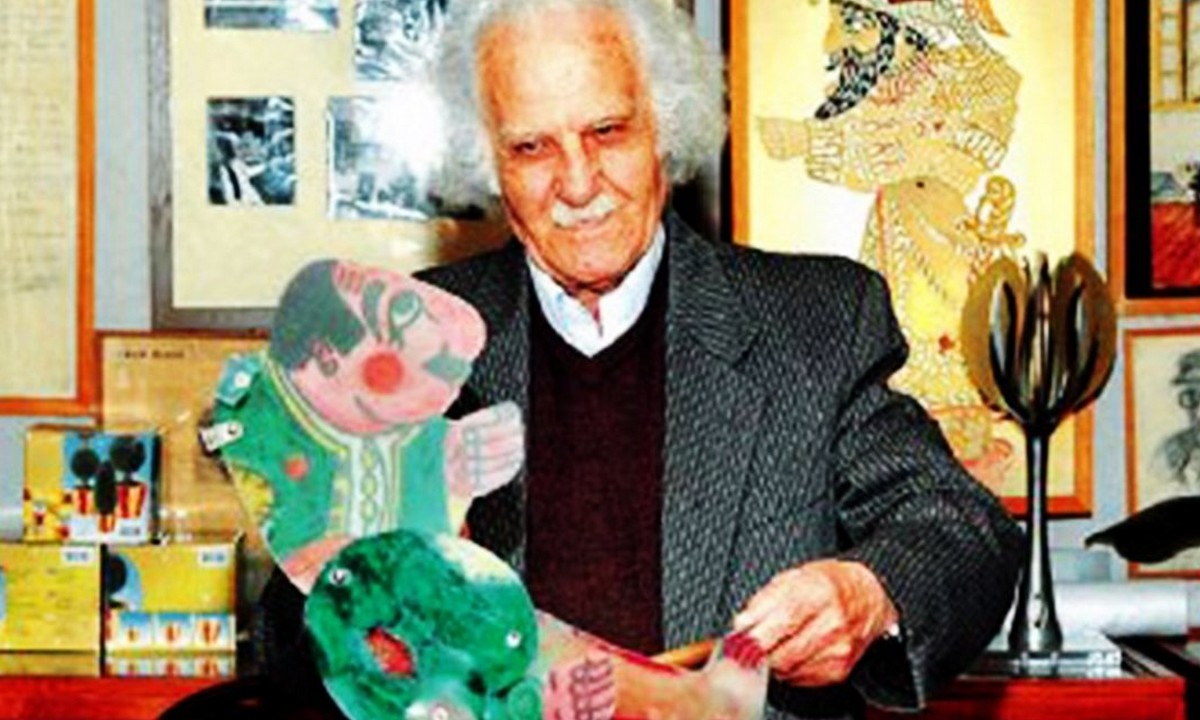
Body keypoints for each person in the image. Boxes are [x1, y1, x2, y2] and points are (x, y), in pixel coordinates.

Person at [257, 0, 1022, 718]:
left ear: (665, 127)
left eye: (607, 132)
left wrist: (871, 592)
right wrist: (363, 574)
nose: (577, 184)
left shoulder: (816, 323)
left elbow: (961, 530)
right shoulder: (403, 340)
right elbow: (292, 645)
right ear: (488, 163)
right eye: (531, 147)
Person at [756, 0, 1024, 492]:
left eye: (855, 25)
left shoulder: (961, 81)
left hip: (934, 232)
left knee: (936, 341)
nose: (838, 43)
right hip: (897, 228)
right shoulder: (889, 92)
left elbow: (910, 152)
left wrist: (808, 141)